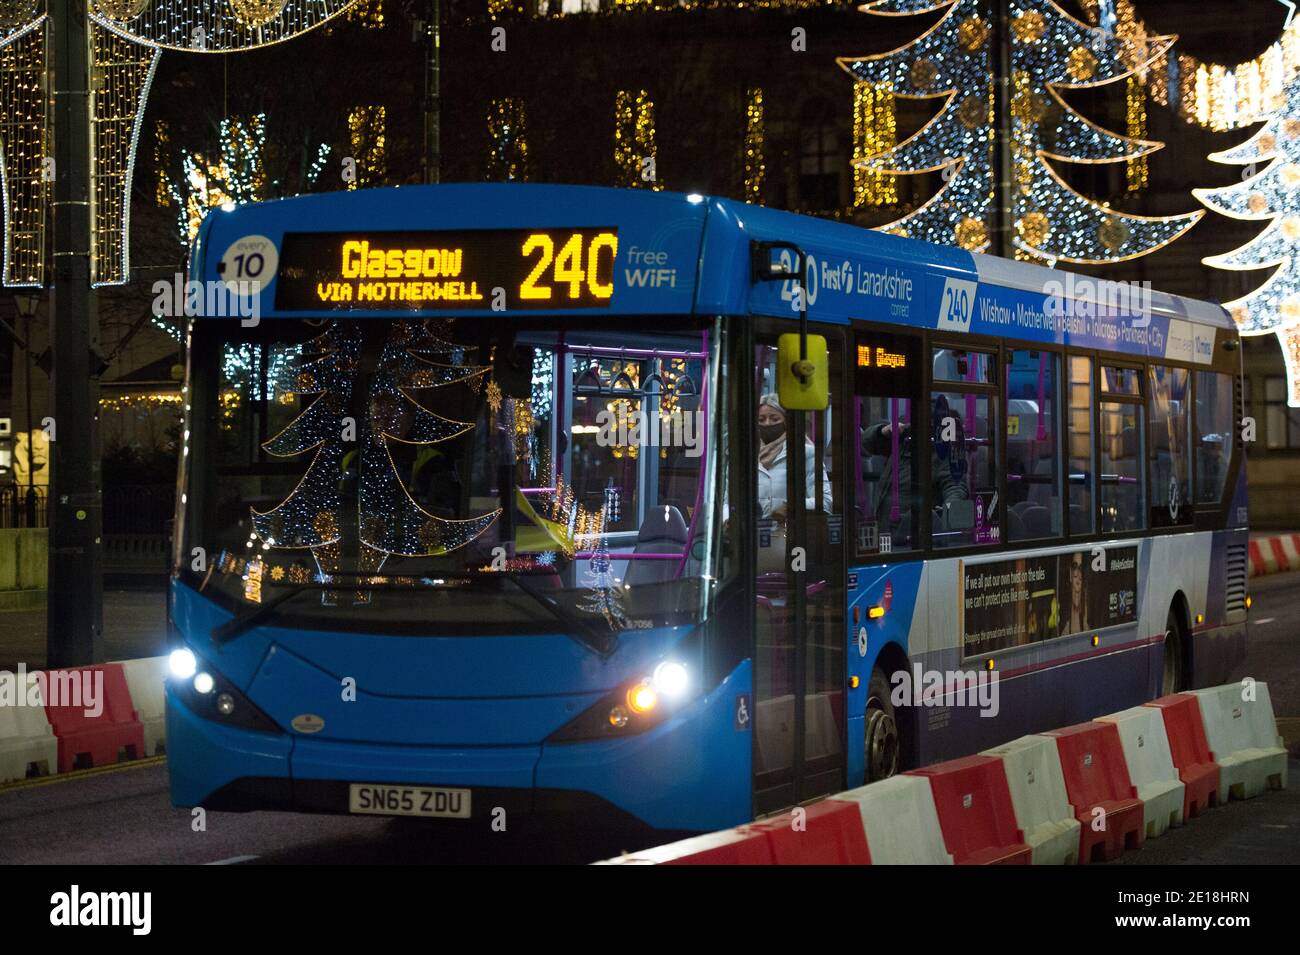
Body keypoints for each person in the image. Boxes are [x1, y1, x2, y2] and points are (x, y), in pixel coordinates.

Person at [860, 394, 968, 543]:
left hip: (911, 533)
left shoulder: (945, 452)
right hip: (885, 524)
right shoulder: (905, 440)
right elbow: (866, 443)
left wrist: (948, 518)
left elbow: (955, 487)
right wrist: (883, 431)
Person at [756, 393, 832, 521]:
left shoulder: (805, 453)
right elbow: (728, 501)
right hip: (751, 535)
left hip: (789, 534)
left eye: (774, 419)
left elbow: (825, 501)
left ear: (786, 421)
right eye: (761, 419)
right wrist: (727, 520)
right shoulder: (744, 454)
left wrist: (790, 507)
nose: (767, 424)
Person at [1060, 550, 1089, 636]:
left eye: (1081, 568)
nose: (1078, 574)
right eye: (1075, 567)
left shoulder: (1088, 605)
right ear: (1070, 573)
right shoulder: (1063, 606)